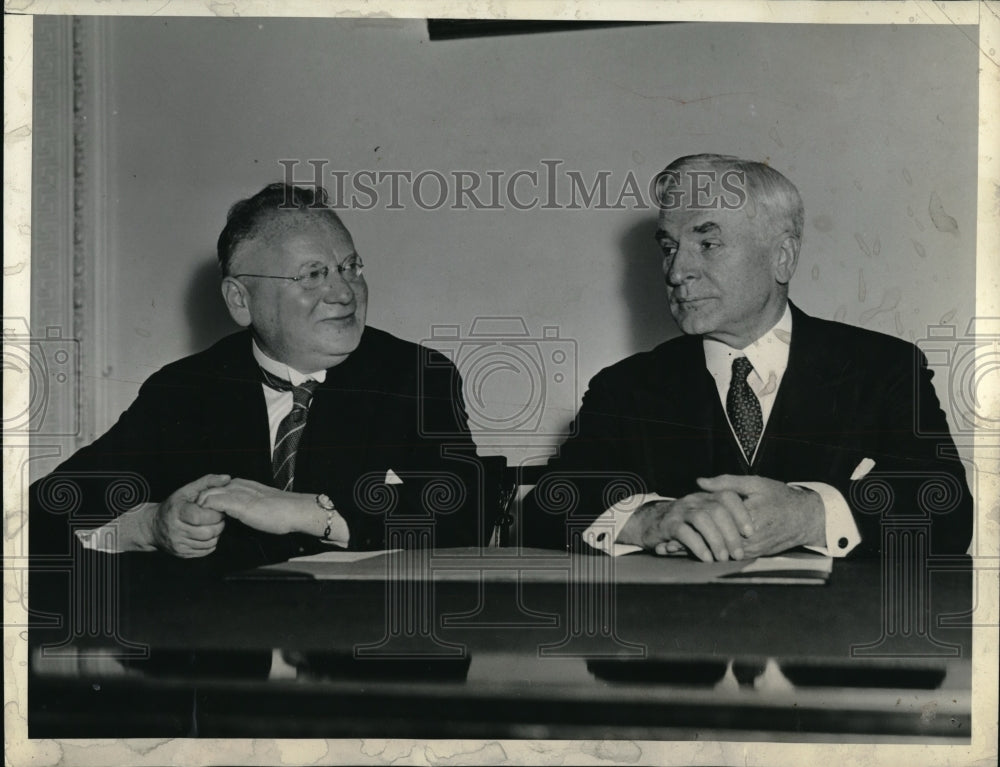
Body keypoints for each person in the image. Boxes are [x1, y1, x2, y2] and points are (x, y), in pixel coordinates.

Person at [522, 154, 973, 560]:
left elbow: (946, 504)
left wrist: (812, 516)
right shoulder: (626, 387)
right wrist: (648, 519)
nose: (677, 272)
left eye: (708, 244)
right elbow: (546, 505)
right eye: (668, 247)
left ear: (783, 257)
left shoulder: (883, 368)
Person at [30, 183, 485, 574]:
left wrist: (305, 511)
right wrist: (148, 527)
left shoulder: (416, 377)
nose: (344, 292)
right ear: (240, 300)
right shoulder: (183, 391)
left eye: (350, 267)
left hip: (361, 655)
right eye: (313, 275)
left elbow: (466, 514)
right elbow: (40, 513)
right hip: (217, 659)